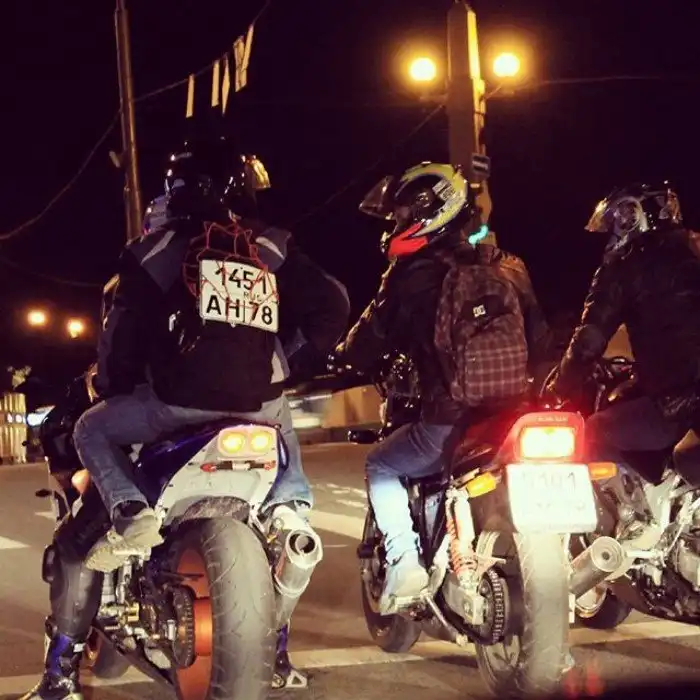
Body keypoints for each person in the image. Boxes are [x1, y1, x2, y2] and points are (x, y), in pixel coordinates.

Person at [21, 138, 350, 700]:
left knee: (91, 431)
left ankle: (65, 667)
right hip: (259, 403)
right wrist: (282, 363)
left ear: (177, 191)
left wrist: (118, 386)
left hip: (175, 405)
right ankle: (290, 511)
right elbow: (334, 304)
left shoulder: (155, 250)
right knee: (280, 433)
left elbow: (120, 342)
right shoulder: (269, 245)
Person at [333, 161, 551, 614]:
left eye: (401, 214)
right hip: (514, 416)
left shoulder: (412, 274)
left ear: (429, 211)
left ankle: (404, 563)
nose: (396, 224)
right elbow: (541, 342)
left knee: (381, 465)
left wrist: (343, 356)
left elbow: (368, 340)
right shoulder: (509, 265)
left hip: (449, 419)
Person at [545, 182, 700, 490]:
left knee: (593, 430)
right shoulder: (694, 248)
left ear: (631, 218)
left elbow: (589, 341)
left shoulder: (627, 264)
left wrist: (558, 389)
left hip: (683, 402)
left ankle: (633, 514)